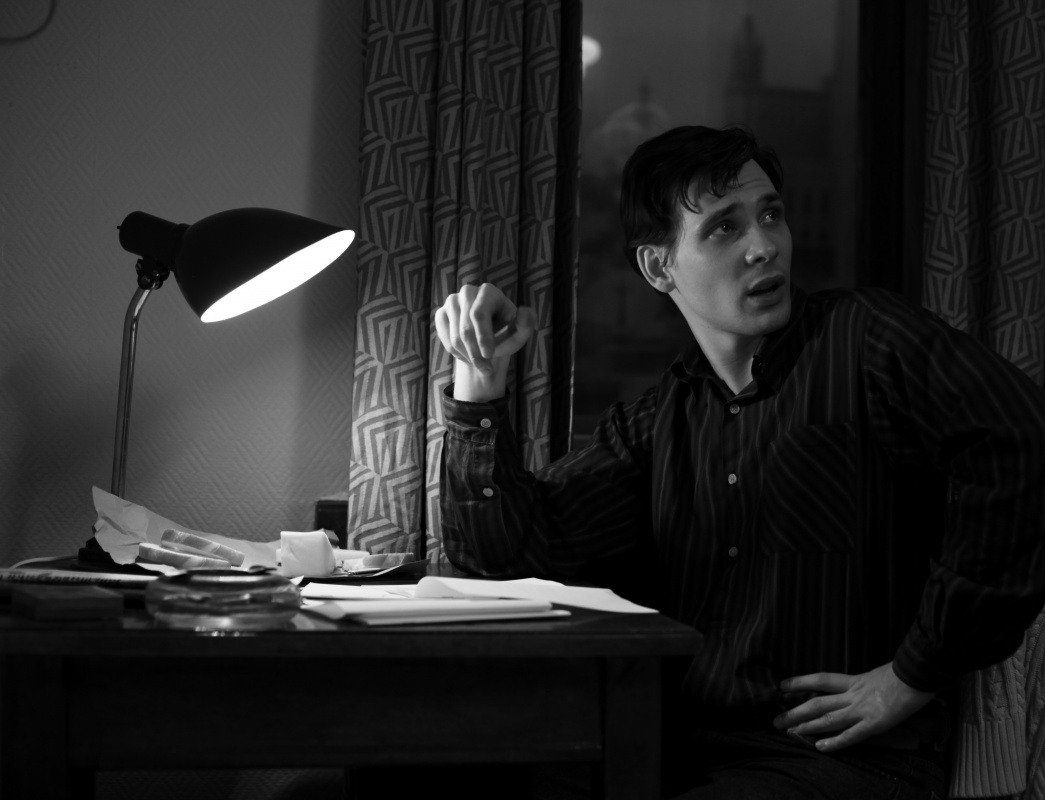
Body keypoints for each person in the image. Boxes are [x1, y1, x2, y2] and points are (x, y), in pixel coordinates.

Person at [433, 125, 1045, 799]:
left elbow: (1022, 442)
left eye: (771, 215)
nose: (764, 245)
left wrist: (913, 674)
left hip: (839, 760)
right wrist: (478, 376)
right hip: (674, 747)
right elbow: (504, 552)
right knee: (449, 772)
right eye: (725, 227)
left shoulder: (867, 341)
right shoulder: (660, 419)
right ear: (658, 267)